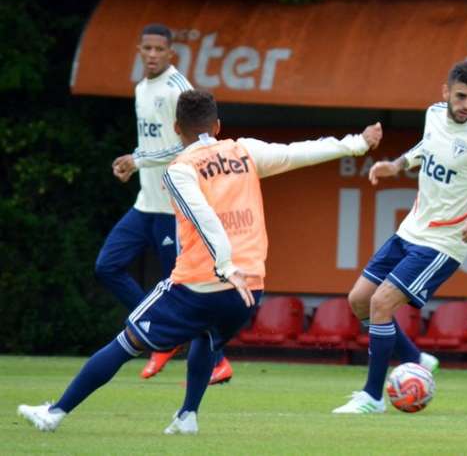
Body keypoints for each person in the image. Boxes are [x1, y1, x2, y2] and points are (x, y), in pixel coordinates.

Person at [18, 89, 383, 433]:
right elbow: (297, 152)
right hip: (249, 288)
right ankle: (188, 415)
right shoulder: (244, 152)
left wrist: (224, 265)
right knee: (208, 339)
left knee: (126, 341)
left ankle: (54, 413)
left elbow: (204, 217)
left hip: (199, 282)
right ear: (218, 126)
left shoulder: (180, 168)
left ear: (177, 129)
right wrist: (357, 144)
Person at [332, 61, 467, 414]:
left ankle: (372, 397)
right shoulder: (435, 114)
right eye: (460, 96)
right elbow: (427, 147)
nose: (466, 105)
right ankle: (414, 359)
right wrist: (397, 165)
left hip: (444, 243)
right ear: (446, 92)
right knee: (360, 300)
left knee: (381, 304)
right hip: (410, 229)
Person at [95, 23, 230, 384]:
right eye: (147, 48)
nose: (153, 55)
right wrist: (133, 160)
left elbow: (194, 143)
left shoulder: (179, 89)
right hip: (145, 204)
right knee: (107, 266)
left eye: (159, 49)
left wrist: (139, 160)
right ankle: (161, 335)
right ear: (139, 50)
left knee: (186, 289)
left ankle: (217, 360)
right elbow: (151, 142)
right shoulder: (141, 88)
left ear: (171, 54)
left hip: (173, 208)